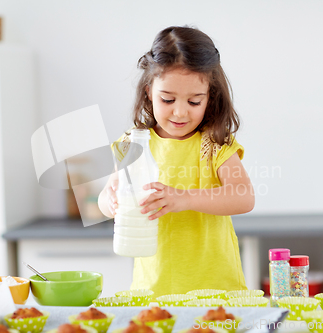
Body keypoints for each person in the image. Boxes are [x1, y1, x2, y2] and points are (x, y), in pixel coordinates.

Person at [98, 26, 255, 296]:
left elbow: (244, 197)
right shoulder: (133, 144)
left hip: (215, 290)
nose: (180, 112)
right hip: (152, 291)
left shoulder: (214, 143)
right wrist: (109, 202)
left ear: (210, 97)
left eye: (194, 101)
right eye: (167, 99)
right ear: (149, 91)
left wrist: (184, 198)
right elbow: (108, 194)